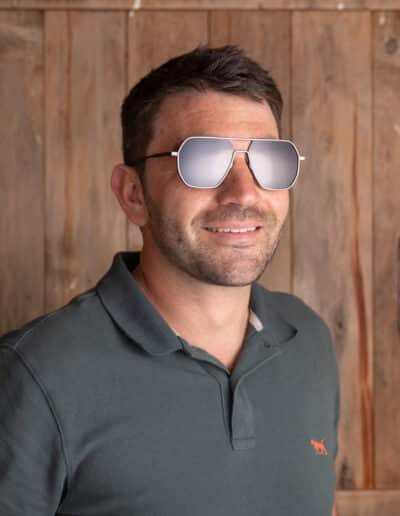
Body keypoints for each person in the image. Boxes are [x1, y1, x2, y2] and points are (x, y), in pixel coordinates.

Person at [0, 44, 339, 516]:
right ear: (133, 194)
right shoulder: (33, 375)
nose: (244, 193)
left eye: (269, 159)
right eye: (202, 160)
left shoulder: (308, 342)